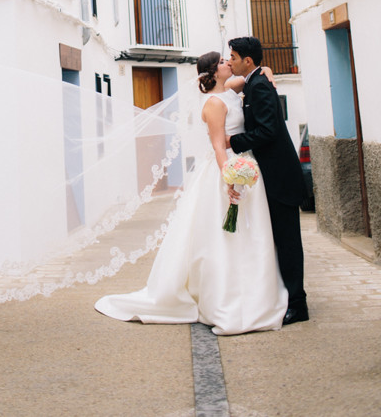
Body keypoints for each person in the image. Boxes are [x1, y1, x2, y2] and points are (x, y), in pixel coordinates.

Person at [94, 51, 288, 335]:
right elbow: (219, 146)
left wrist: (266, 70)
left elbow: (250, 78)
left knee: (252, 234)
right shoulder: (213, 104)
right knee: (225, 238)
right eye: (223, 62)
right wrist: (230, 178)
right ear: (213, 72)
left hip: (245, 164)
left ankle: (257, 292)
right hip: (228, 168)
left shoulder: (230, 90)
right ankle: (228, 299)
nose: (229, 64)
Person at [227, 36, 308, 326]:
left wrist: (232, 141)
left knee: (287, 243)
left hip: (280, 176)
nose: (231, 61)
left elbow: (268, 131)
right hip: (271, 176)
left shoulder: (259, 85)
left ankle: (298, 305)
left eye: (233, 57)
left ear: (247, 60)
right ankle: (287, 297)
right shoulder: (254, 81)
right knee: (279, 241)